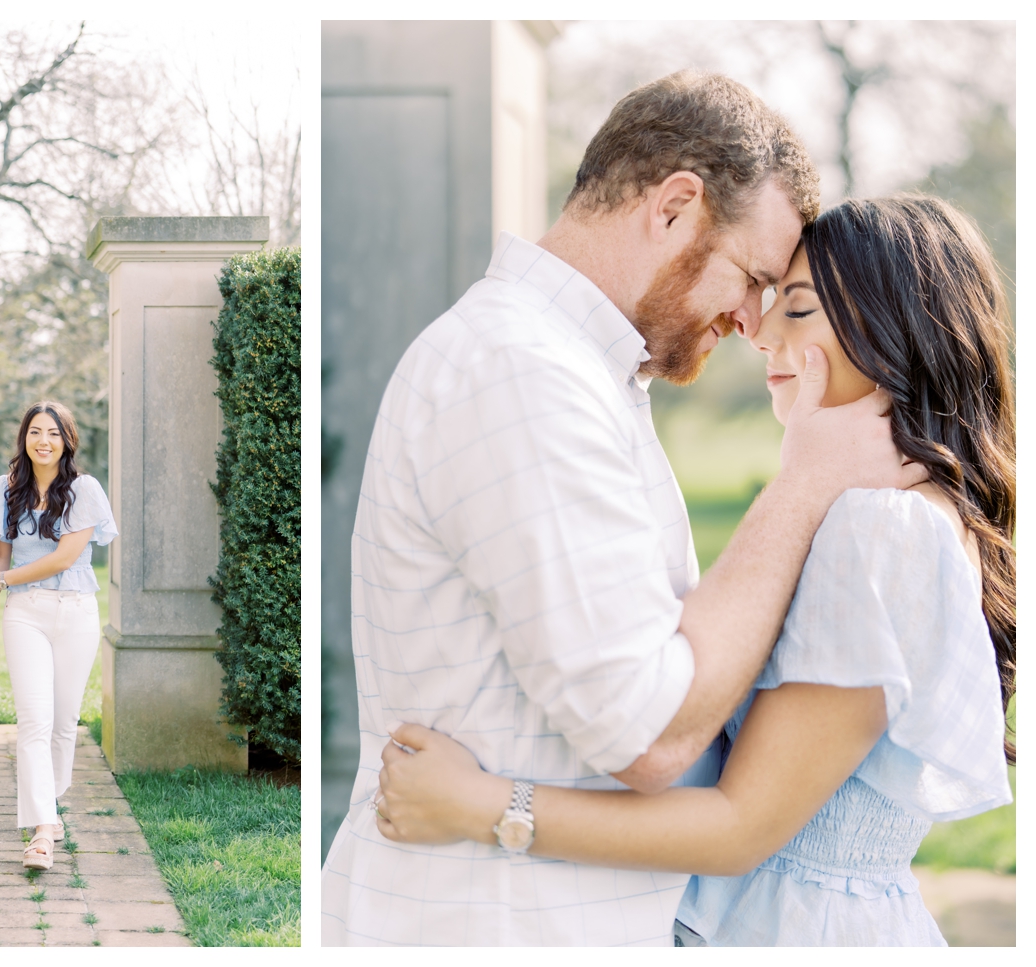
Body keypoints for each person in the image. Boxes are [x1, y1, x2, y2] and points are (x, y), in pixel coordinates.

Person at [320, 70, 925, 946]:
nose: (755, 324)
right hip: (495, 931)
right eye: (753, 278)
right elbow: (648, 730)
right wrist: (804, 484)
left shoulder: (578, 375)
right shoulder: (520, 373)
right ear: (675, 206)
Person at [374, 195, 1016, 946]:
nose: (763, 332)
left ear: (891, 329)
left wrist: (481, 806)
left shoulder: (883, 529)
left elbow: (740, 825)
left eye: (798, 310)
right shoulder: (908, 512)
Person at [0, 401, 117, 871]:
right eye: (35, 431)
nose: (44, 441)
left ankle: (48, 812)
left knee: (63, 722)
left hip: (75, 611)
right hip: (26, 614)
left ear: (67, 440)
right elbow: (0, 552)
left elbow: (63, 557)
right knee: (34, 720)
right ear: (24, 438)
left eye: (53, 433)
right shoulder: (5, 488)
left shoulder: (84, 490)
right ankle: (41, 832)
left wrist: (4, 580)